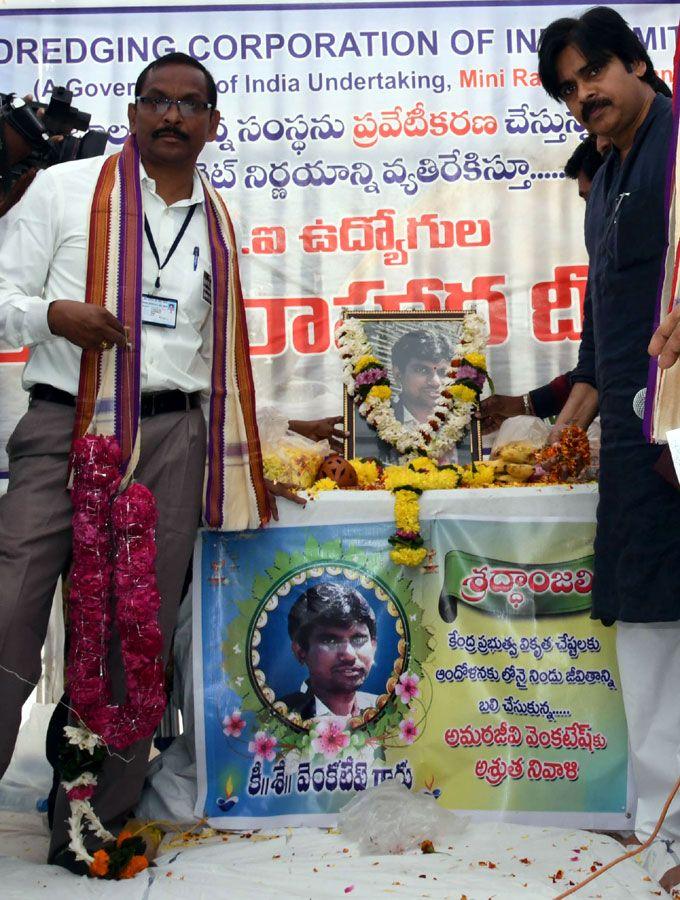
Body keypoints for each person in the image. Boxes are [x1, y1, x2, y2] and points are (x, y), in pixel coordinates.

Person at [0, 51, 314, 873]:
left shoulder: (217, 220)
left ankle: (95, 818)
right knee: (11, 605)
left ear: (214, 124)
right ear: (133, 114)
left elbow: (215, 359)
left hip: (172, 441)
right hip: (63, 429)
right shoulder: (68, 191)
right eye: (156, 101)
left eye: (190, 105)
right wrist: (50, 315)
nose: (172, 116)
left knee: (134, 633)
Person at [537, 6, 680, 889]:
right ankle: (667, 817)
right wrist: (574, 409)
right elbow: (610, 319)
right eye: (567, 88)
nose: (582, 94)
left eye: (593, 73)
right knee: (651, 615)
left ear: (638, 64)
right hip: (637, 433)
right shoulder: (614, 171)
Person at [479, 136, 606, 433]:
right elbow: (595, 367)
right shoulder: (605, 265)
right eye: (586, 201)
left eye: (593, 198)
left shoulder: (656, 264)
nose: (592, 214)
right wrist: (528, 405)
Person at [282, 583, 378, 720]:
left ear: (373, 645)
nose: (349, 655)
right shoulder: (278, 717)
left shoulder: (386, 709)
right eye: (331, 641)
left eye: (358, 639)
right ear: (300, 651)